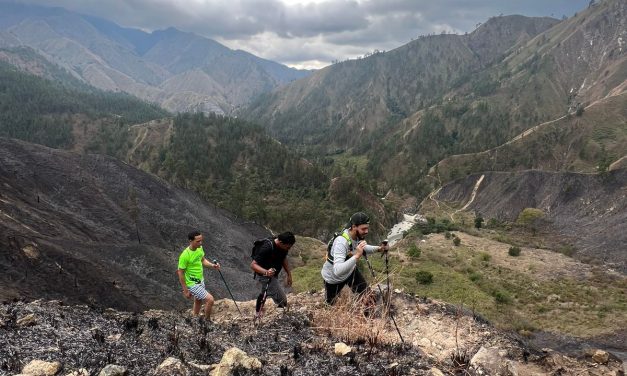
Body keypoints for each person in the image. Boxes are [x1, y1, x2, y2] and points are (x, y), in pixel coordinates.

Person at [321, 212, 388, 305]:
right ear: (353, 227)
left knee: (368, 297)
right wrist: (357, 256)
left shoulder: (356, 235)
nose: (366, 231)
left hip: (350, 271)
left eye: (367, 228)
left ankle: (367, 317)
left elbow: (363, 247)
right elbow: (338, 270)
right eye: (363, 229)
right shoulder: (341, 242)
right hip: (333, 278)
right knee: (331, 305)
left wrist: (379, 248)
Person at [177, 231, 221, 320]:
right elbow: (180, 272)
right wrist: (185, 290)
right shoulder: (185, 255)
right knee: (210, 300)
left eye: (201, 240)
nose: (200, 243)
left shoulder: (199, 248)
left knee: (198, 300)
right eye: (198, 241)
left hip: (200, 280)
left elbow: (203, 260)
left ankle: (194, 319)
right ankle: (207, 321)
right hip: (192, 283)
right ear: (190, 241)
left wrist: (213, 265)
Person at [250, 231, 296, 315]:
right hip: (265, 276)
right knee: (282, 300)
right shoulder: (267, 247)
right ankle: (281, 316)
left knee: (264, 292)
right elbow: (253, 265)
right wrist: (266, 272)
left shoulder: (283, 247)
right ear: (281, 242)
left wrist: (289, 274)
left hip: (273, 274)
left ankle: (258, 313)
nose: (288, 249)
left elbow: (283, 258)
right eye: (288, 247)